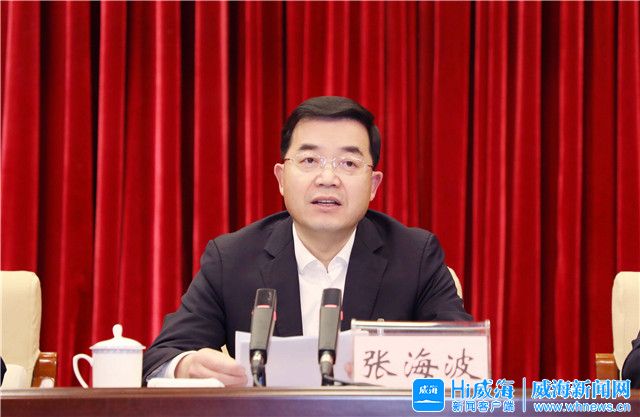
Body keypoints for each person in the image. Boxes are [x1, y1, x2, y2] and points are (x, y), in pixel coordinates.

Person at [143, 96, 472, 385]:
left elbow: (463, 359)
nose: (327, 178)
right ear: (281, 178)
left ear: (373, 185)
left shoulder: (415, 257)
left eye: (348, 163)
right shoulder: (231, 259)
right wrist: (186, 366)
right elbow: (161, 357)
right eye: (309, 161)